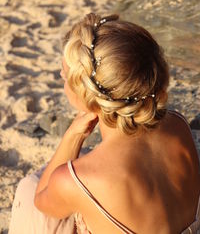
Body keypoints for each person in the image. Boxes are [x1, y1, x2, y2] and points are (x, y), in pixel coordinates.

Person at [9, 13, 200, 234]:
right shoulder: (177, 124)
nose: (62, 74)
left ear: (88, 95)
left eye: (66, 76)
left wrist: (74, 135)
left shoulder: (79, 178)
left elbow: (42, 202)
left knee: (29, 189)